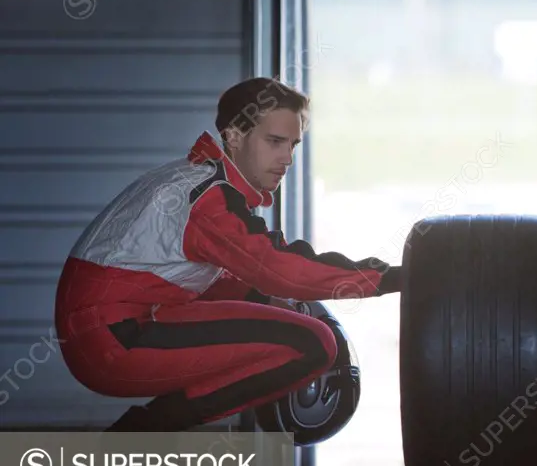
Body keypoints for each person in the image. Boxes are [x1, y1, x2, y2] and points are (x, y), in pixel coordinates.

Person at [53, 77, 401, 432]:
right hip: (114, 337)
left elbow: (207, 279)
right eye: (275, 142)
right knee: (312, 343)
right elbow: (281, 269)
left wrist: (264, 300)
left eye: (293, 145)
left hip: (102, 331)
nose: (287, 159)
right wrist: (389, 278)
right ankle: (135, 438)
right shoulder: (208, 196)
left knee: (282, 319)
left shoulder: (193, 176)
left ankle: (139, 438)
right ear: (234, 137)